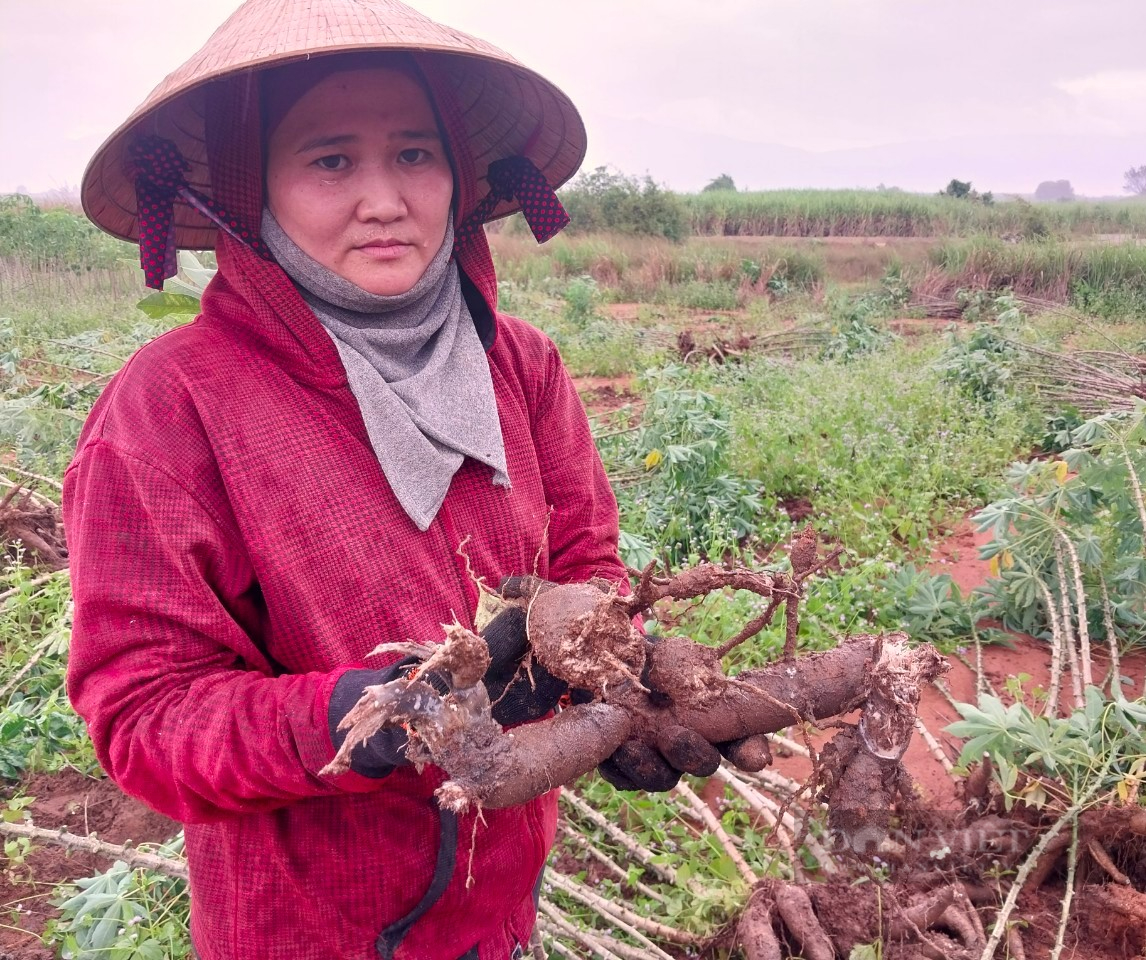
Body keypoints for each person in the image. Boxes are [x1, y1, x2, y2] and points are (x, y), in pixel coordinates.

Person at [65, 1, 716, 957]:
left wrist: (624, 681)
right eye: (331, 160)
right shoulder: (170, 409)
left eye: (416, 154)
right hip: (305, 927)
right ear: (254, 190)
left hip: (499, 906)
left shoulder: (521, 366)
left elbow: (588, 565)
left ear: (457, 173)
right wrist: (362, 717)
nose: (385, 199)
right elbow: (145, 715)